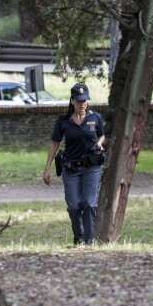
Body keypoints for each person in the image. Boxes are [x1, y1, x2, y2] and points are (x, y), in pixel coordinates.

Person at [43, 83, 105, 245]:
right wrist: (47, 168)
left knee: (89, 204)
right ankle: (78, 236)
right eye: (79, 100)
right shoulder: (63, 122)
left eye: (85, 100)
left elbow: (102, 135)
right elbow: (55, 144)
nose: (82, 103)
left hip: (91, 167)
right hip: (70, 168)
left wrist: (99, 143)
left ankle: (88, 240)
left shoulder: (95, 117)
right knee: (74, 206)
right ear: (72, 101)